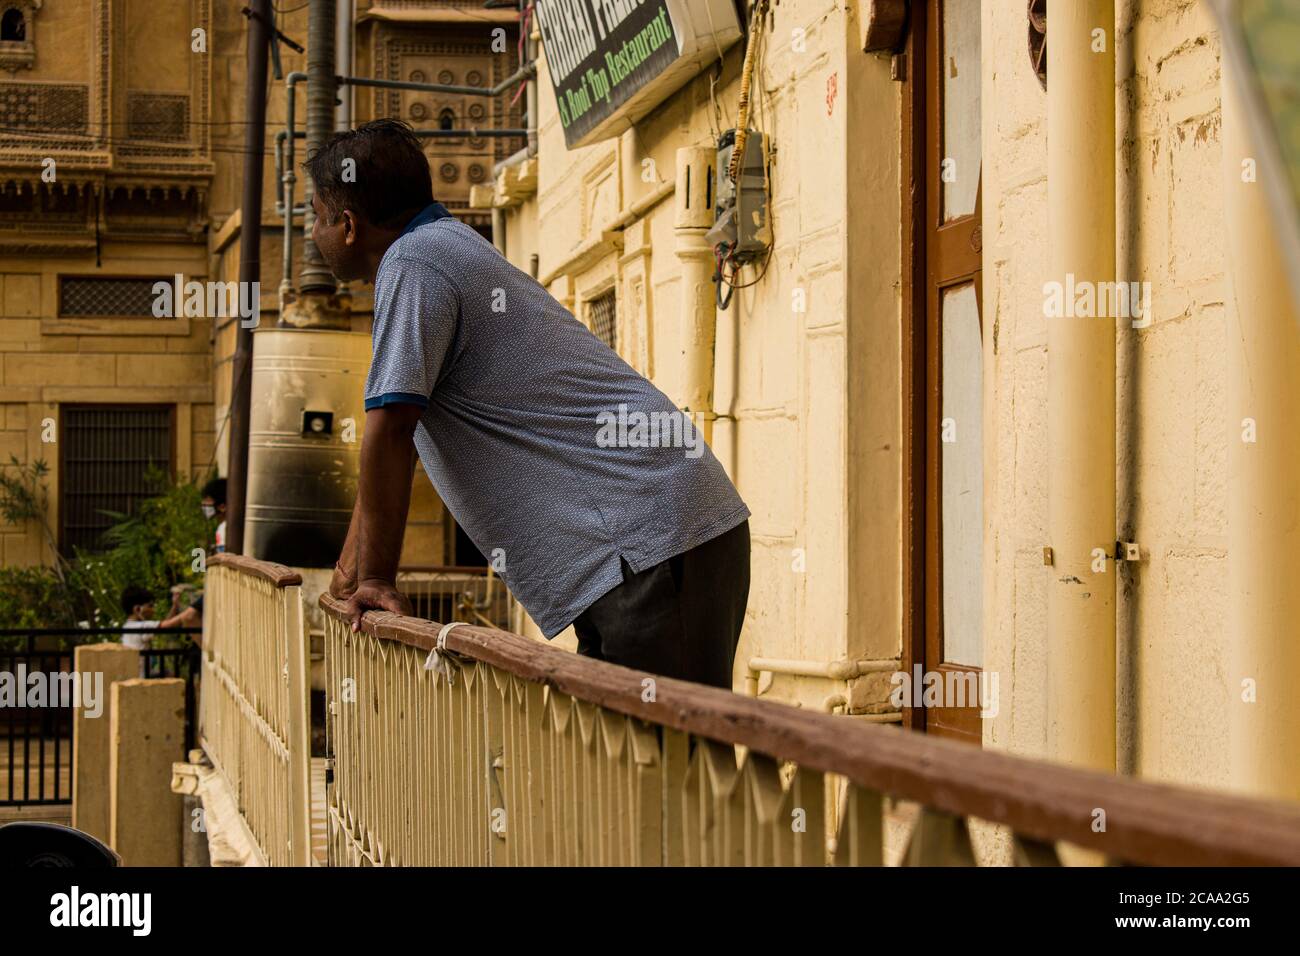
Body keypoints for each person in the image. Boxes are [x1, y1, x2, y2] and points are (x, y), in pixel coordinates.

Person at [308, 120, 751, 690]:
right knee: (642, 764)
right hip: (650, 542)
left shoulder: (415, 263)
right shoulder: (438, 251)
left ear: (347, 225)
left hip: (646, 541)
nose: (312, 232)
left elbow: (390, 430)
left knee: (666, 769)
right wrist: (351, 577)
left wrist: (377, 579)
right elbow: (398, 434)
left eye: (316, 215)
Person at [119, 586, 159, 651]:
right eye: (150, 606)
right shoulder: (141, 626)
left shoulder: (127, 626)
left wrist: (174, 607)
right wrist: (181, 615)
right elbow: (168, 625)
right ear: (137, 609)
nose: (153, 610)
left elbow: (163, 626)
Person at [201, 477, 227, 553]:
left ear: (222, 507)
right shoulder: (222, 527)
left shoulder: (225, 529)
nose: (203, 504)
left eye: (208, 501)